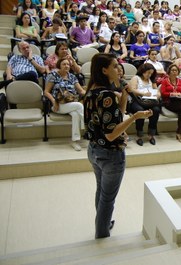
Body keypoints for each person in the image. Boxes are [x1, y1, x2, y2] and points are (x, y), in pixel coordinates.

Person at [84, 53, 152, 239]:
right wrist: (136, 117)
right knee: (108, 198)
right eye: (115, 66)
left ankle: (102, 222)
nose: (119, 70)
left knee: (101, 190)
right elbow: (111, 133)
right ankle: (102, 233)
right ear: (104, 70)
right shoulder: (106, 96)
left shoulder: (93, 90)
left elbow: (116, 116)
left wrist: (123, 94)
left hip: (94, 150)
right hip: (110, 155)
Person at [44, 58, 86, 151]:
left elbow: (81, 91)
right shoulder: (53, 75)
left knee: (75, 115)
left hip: (71, 104)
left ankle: (75, 141)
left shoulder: (72, 76)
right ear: (59, 65)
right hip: (58, 105)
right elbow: (46, 92)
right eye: (64, 64)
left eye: (68, 64)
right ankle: (86, 127)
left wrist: (89, 94)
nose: (66, 66)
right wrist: (54, 101)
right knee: (79, 106)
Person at [127, 63, 161, 145]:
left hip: (149, 101)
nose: (149, 75)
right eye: (148, 72)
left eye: (151, 73)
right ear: (143, 71)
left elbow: (157, 91)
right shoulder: (136, 78)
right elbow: (132, 90)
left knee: (156, 110)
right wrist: (143, 93)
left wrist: (158, 95)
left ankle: (151, 134)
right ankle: (139, 135)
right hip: (137, 101)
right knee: (140, 111)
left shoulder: (151, 80)